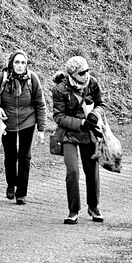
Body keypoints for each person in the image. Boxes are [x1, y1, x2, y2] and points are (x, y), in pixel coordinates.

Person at [0, 49, 46, 205]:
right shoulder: (1, 78)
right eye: (17, 62)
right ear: (11, 63)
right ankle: (11, 183)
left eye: (23, 63)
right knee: (11, 155)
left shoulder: (32, 79)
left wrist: (41, 129)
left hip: (28, 121)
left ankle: (21, 193)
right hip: (7, 122)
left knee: (25, 156)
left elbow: (40, 103)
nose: (20, 66)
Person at [51, 56, 106, 224]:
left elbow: (101, 104)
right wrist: (81, 122)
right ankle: (73, 210)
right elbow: (58, 116)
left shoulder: (92, 83)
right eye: (82, 72)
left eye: (88, 70)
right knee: (72, 171)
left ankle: (93, 206)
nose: (86, 74)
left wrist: (95, 116)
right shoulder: (59, 90)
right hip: (69, 134)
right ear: (73, 74)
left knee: (92, 171)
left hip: (89, 133)